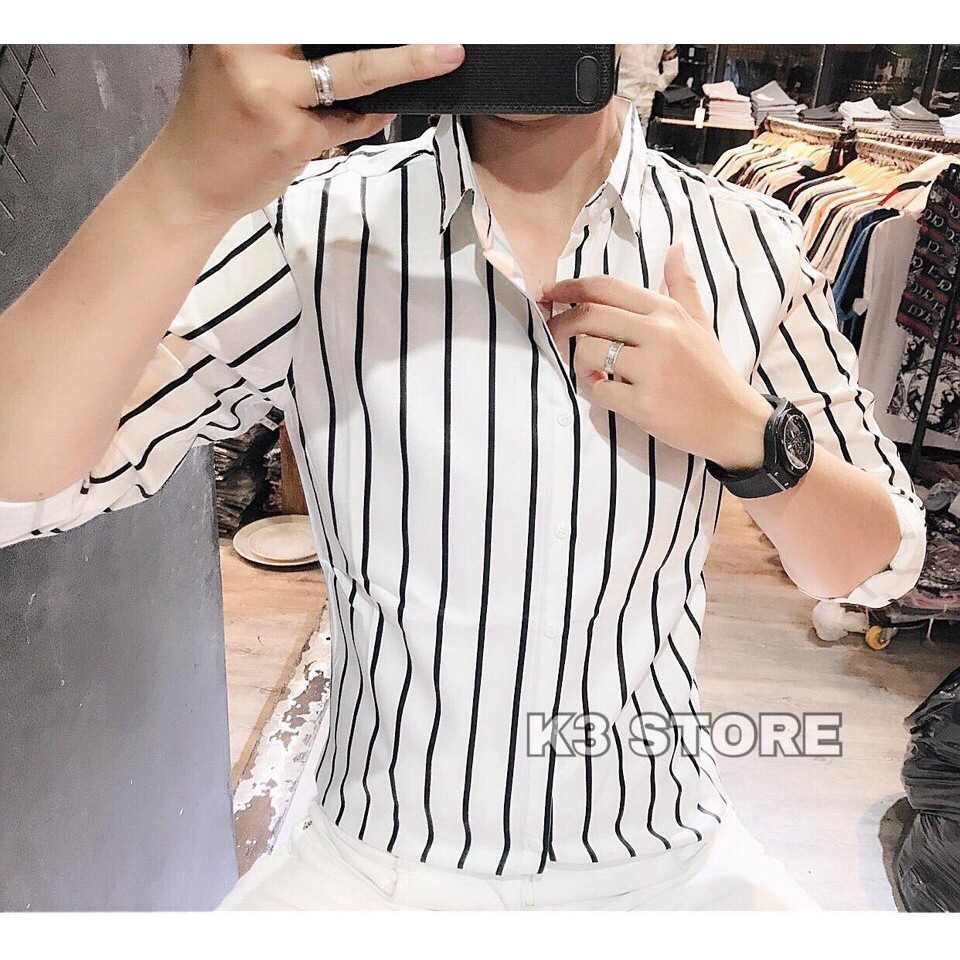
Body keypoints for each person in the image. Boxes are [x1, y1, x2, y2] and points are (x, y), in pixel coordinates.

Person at [0, 45, 925, 910]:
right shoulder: (310, 228)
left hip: (668, 854)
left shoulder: (747, 242)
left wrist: (747, 436)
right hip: (374, 864)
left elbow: (878, 568)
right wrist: (180, 184)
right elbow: (25, 489)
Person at [615, 43, 679, 132]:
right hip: (625, 99)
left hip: (638, 100)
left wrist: (656, 87)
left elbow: (672, 70)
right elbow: (672, 70)